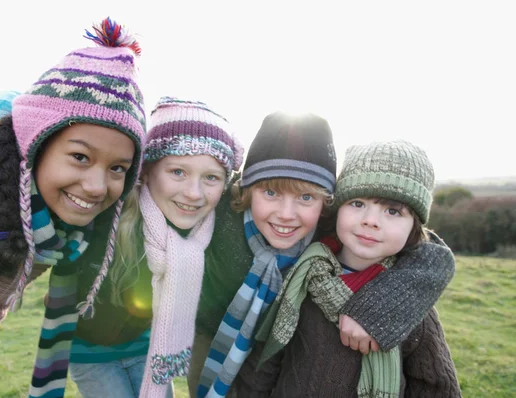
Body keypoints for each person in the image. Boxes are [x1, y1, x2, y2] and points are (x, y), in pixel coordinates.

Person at [0, 95, 244, 398]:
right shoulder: (104, 210)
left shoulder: (207, 226)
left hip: (147, 350)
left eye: (211, 178)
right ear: (144, 171)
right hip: (94, 355)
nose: (193, 193)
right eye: (177, 171)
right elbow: (17, 105)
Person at [0, 17, 146, 398]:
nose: (96, 186)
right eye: (80, 157)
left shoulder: (48, 236)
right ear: (35, 146)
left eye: (118, 168)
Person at [190, 114, 456, 398]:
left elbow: (433, 255)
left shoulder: (334, 239)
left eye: (306, 197)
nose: (286, 214)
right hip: (210, 346)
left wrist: (381, 308)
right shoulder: (224, 214)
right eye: (270, 192)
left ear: (327, 203)